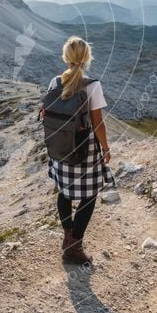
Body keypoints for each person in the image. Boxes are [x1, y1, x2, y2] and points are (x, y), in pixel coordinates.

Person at [46, 36, 113, 264]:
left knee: (64, 192)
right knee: (89, 194)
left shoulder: (54, 83)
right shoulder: (92, 85)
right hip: (85, 152)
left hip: (60, 148)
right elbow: (98, 124)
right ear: (86, 58)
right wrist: (105, 148)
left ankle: (67, 238)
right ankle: (74, 246)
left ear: (66, 57)